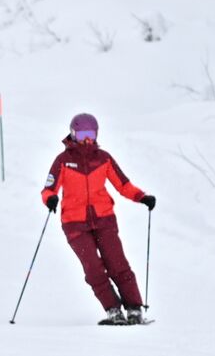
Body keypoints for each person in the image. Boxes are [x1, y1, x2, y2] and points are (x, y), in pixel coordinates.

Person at [40, 113, 156, 325]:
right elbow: (48, 189)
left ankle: (134, 308)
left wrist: (142, 197)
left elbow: (123, 185)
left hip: (104, 220)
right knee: (93, 268)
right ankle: (113, 310)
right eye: (83, 134)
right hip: (75, 225)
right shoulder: (63, 161)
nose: (87, 139)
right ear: (73, 134)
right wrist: (50, 199)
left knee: (117, 263)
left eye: (91, 134)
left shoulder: (103, 158)